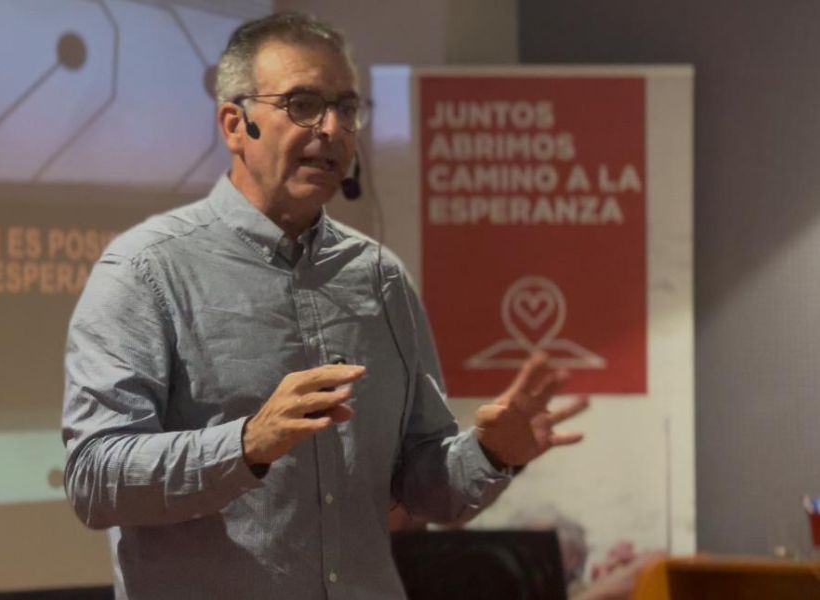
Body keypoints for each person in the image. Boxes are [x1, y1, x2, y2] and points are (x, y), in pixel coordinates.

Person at [62, 12, 589, 599]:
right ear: (236, 124)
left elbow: (420, 486)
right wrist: (244, 445)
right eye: (303, 104)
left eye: (347, 108)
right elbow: (94, 477)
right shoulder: (145, 272)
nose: (332, 129)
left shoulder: (379, 278)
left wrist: (491, 454)